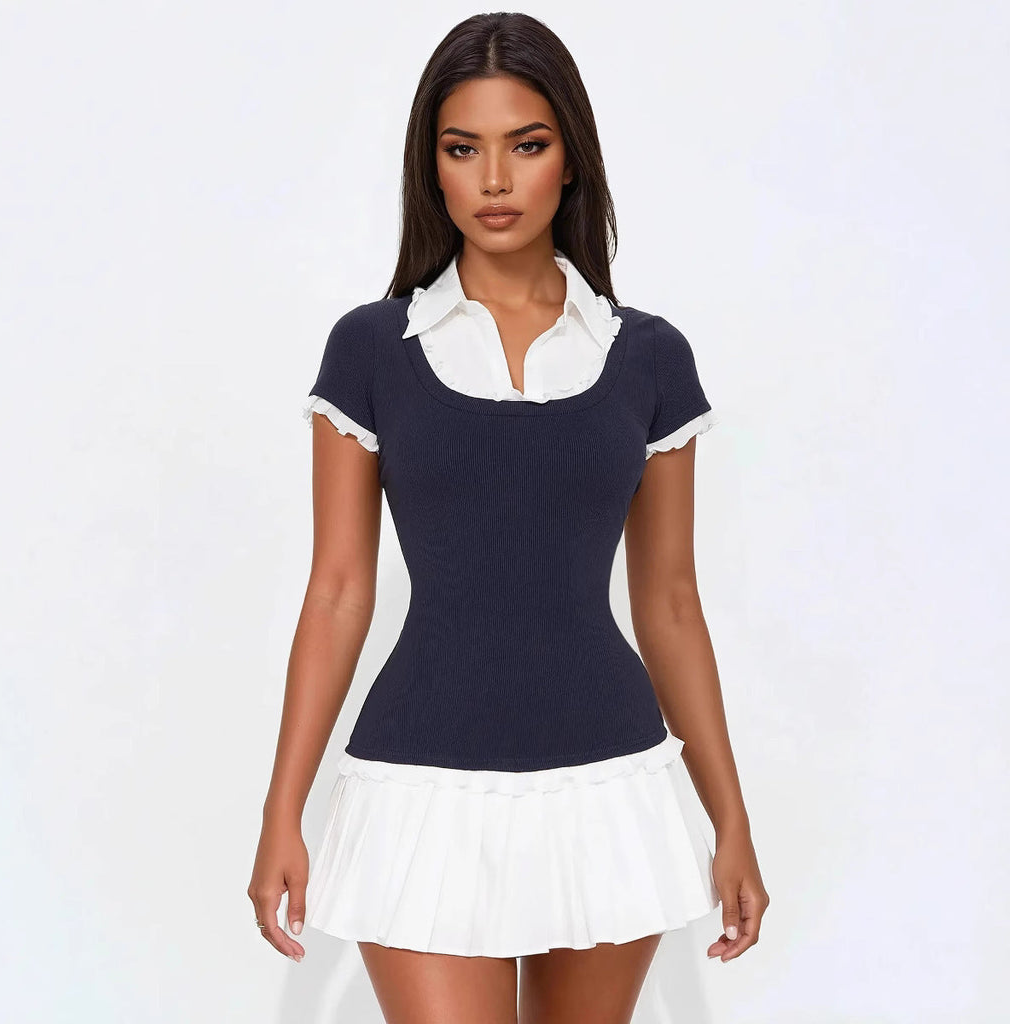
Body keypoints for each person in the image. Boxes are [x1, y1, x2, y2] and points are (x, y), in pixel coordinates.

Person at [249, 11, 769, 1022]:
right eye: (463, 149)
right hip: (418, 785)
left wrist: (730, 818)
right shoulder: (371, 349)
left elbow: (669, 603)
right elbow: (339, 590)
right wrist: (283, 808)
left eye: (525, 145)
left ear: (570, 162)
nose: (494, 179)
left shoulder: (648, 357)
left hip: (607, 783)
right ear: (431, 168)